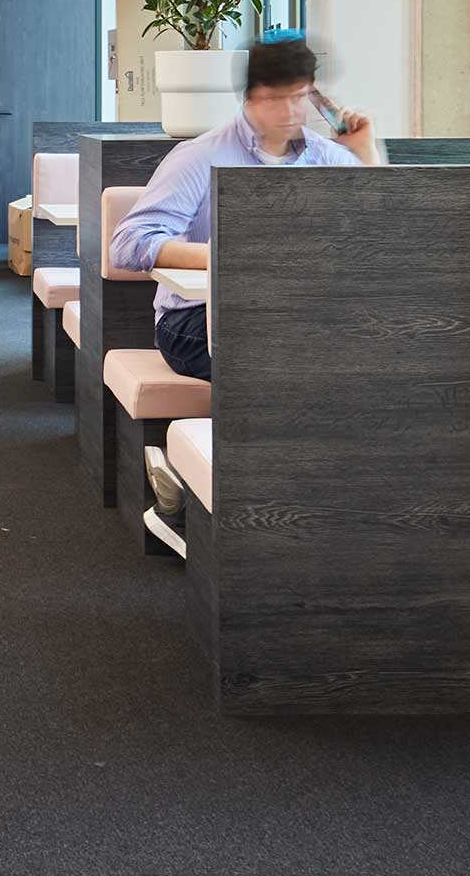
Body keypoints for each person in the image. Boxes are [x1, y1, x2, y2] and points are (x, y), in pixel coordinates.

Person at [106, 33, 379, 522]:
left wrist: (366, 155)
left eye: (300, 96)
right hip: (192, 323)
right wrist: (226, 255)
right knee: (298, 363)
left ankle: (306, 507)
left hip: (299, 321)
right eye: (276, 98)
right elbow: (128, 243)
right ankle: (219, 504)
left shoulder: (327, 159)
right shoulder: (200, 156)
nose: (291, 111)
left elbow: (382, 235)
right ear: (250, 96)